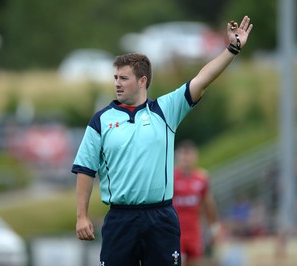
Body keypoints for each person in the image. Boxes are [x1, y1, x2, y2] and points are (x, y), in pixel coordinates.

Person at [71, 15, 253, 266]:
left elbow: (203, 78)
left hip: (160, 217)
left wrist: (231, 49)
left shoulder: (165, 110)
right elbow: (85, 169)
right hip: (120, 218)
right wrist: (82, 216)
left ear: (142, 80)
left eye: (123, 78)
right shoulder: (101, 120)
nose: (117, 83)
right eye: (115, 78)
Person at [173, 139, 220, 266]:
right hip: (175, 233)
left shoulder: (202, 178)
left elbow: (208, 203)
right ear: (177, 156)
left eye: (189, 155)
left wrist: (213, 226)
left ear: (195, 156)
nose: (185, 159)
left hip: (194, 233)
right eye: (183, 155)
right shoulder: (170, 177)